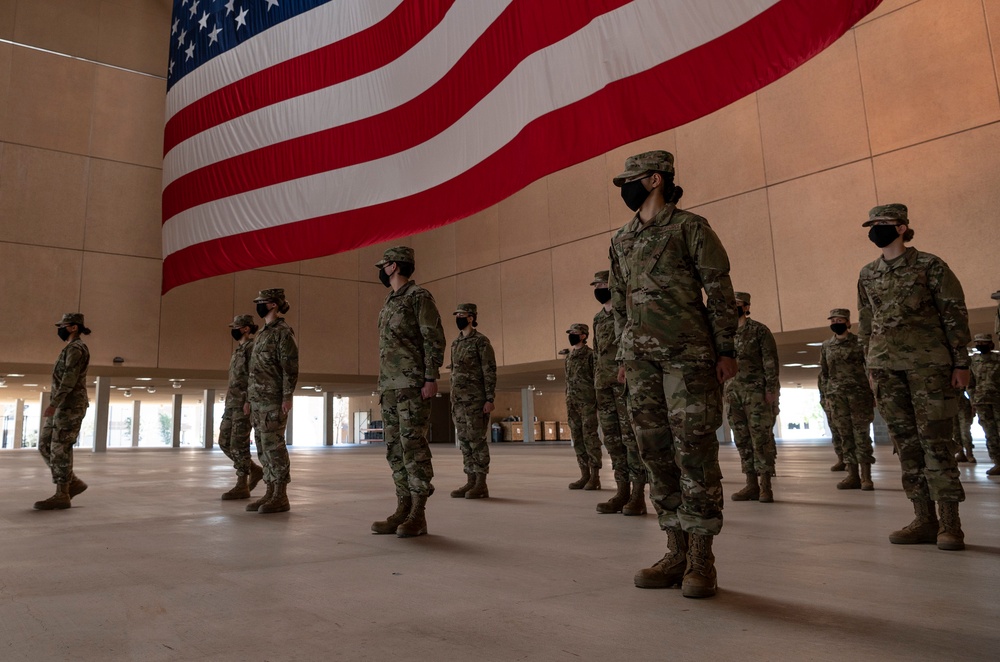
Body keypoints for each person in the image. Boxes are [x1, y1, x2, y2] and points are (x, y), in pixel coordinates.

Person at [609, 150, 738, 598]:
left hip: (688, 356)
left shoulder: (690, 228)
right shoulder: (621, 239)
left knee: (694, 451)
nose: (625, 189)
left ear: (656, 180)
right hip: (640, 362)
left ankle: (702, 556)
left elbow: (721, 292)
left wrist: (726, 349)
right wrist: (625, 357)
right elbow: (621, 303)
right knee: (653, 451)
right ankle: (676, 548)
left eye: (632, 180)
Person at [857, 203, 970, 551]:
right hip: (886, 368)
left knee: (936, 441)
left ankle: (950, 524)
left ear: (903, 227)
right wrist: (871, 371)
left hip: (929, 366)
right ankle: (924, 518)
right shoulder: (867, 273)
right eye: (872, 225)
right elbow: (866, 325)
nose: (877, 230)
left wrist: (961, 363)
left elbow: (954, 315)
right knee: (905, 444)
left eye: (884, 224)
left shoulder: (930, 265)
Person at [370, 247, 446, 537]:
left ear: (394, 267)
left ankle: (418, 513)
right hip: (389, 386)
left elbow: (433, 337)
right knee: (395, 450)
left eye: (384, 265)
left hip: (412, 384)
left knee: (413, 447)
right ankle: (402, 506)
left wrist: (430, 376)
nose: (382, 270)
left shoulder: (419, 297)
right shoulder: (389, 301)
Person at [591, 270, 647, 515]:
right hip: (603, 385)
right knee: (612, 440)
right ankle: (621, 490)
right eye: (596, 285)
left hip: (624, 384)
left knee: (630, 439)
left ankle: (637, 495)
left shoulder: (626, 311)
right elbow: (597, 352)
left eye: (602, 284)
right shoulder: (597, 318)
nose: (598, 288)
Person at [245, 289, 298, 514]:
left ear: (274, 305)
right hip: (258, 402)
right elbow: (254, 371)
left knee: (274, 447)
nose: (259, 305)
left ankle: (280, 495)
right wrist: (249, 399)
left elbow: (290, 367)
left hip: (273, 400)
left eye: (262, 302)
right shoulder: (263, 333)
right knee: (262, 447)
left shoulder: (282, 332)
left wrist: (287, 396)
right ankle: (269, 491)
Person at [726, 292, 780, 503]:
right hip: (733, 394)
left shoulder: (759, 330)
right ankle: (750, 484)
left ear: (747, 307)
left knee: (761, 439)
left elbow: (770, 362)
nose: (734, 307)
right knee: (741, 439)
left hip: (756, 393)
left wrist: (771, 390)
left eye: (737, 304)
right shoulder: (725, 334)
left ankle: (765, 485)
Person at [34, 313, 92, 510]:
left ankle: (62, 493)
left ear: (74, 327)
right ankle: (72, 482)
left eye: (64, 325)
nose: (60, 329)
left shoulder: (77, 348)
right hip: (62, 405)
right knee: (44, 444)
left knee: (60, 446)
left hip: (70, 406)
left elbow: (70, 378)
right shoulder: (69, 348)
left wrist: (54, 403)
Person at [818, 308, 876, 491]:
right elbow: (825, 374)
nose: (836, 322)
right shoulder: (827, 346)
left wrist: (873, 393)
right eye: (833, 320)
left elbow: (870, 370)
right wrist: (827, 396)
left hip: (859, 395)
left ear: (848, 322)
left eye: (840, 319)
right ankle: (852, 475)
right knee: (845, 435)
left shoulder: (860, 343)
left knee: (861, 435)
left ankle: (866, 477)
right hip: (837, 398)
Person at [448, 303, 497, 499]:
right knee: (465, 442)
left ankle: (481, 483)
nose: (458, 317)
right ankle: (470, 481)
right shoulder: (456, 343)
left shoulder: (481, 342)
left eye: (461, 314)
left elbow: (489, 370)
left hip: (476, 401)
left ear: (471, 317)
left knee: (477, 441)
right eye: (456, 314)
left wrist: (489, 398)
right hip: (459, 402)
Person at [218, 314, 264, 500]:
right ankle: (254, 470)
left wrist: (248, 401)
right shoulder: (238, 350)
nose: (233, 330)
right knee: (224, 442)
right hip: (231, 403)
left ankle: (241, 485)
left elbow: (254, 376)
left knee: (239, 444)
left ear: (246, 328)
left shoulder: (252, 348)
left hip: (243, 404)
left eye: (237, 326)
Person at [564, 323, 603, 490]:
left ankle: (595, 476)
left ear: (583, 336)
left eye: (575, 332)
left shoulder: (591, 356)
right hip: (572, 403)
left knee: (590, 438)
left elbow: (596, 379)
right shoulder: (569, 357)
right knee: (577, 438)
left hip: (587, 402)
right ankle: (584, 474)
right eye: (570, 332)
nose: (571, 335)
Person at [969, 333, 1000, 475]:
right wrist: (972, 401)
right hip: (981, 402)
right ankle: (998, 462)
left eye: (983, 342)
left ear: (991, 344)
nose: (980, 345)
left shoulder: (998, 359)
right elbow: (970, 384)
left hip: (998, 400)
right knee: (990, 433)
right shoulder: (973, 361)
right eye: (978, 342)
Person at [952, 390, 975, 463]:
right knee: (955, 432)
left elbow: (969, 388)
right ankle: (960, 453)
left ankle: (969, 454)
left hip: (963, 405)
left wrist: (973, 403)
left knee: (965, 431)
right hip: (950, 405)